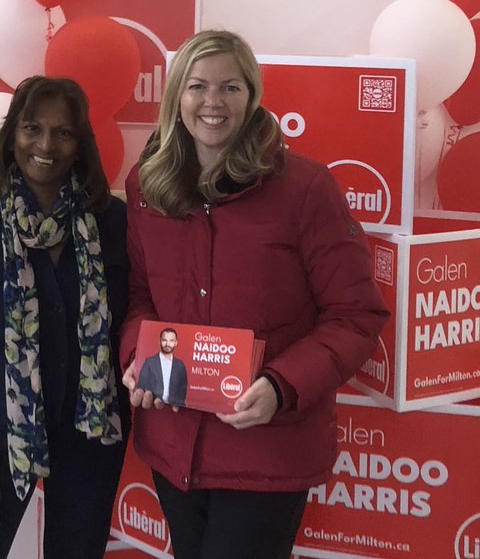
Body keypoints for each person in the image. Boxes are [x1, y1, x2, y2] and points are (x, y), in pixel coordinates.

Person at [119, 30, 389, 559]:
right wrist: (138, 358)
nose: (213, 102)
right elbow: (140, 296)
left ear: (253, 95)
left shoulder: (306, 188)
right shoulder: (147, 187)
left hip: (269, 448)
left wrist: (281, 385)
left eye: (230, 87)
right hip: (175, 448)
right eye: (197, 86)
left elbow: (356, 314)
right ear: (176, 97)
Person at [0, 76, 129, 559]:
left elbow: (132, 325)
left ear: (81, 142)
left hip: (90, 439)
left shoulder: (113, 223)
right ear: (12, 136)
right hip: (1, 440)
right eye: (31, 128)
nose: (45, 145)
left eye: (63, 132)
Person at [136, 327, 188, 406]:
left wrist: (178, 404)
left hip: (177, 410)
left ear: (176, 343)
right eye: (164, 340)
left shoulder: (180, 365)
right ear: (160, 341)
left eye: (171, 341)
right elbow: (141, 384)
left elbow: (183, 388)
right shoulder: (149, 362)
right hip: (152, 406)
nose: (167, 344)